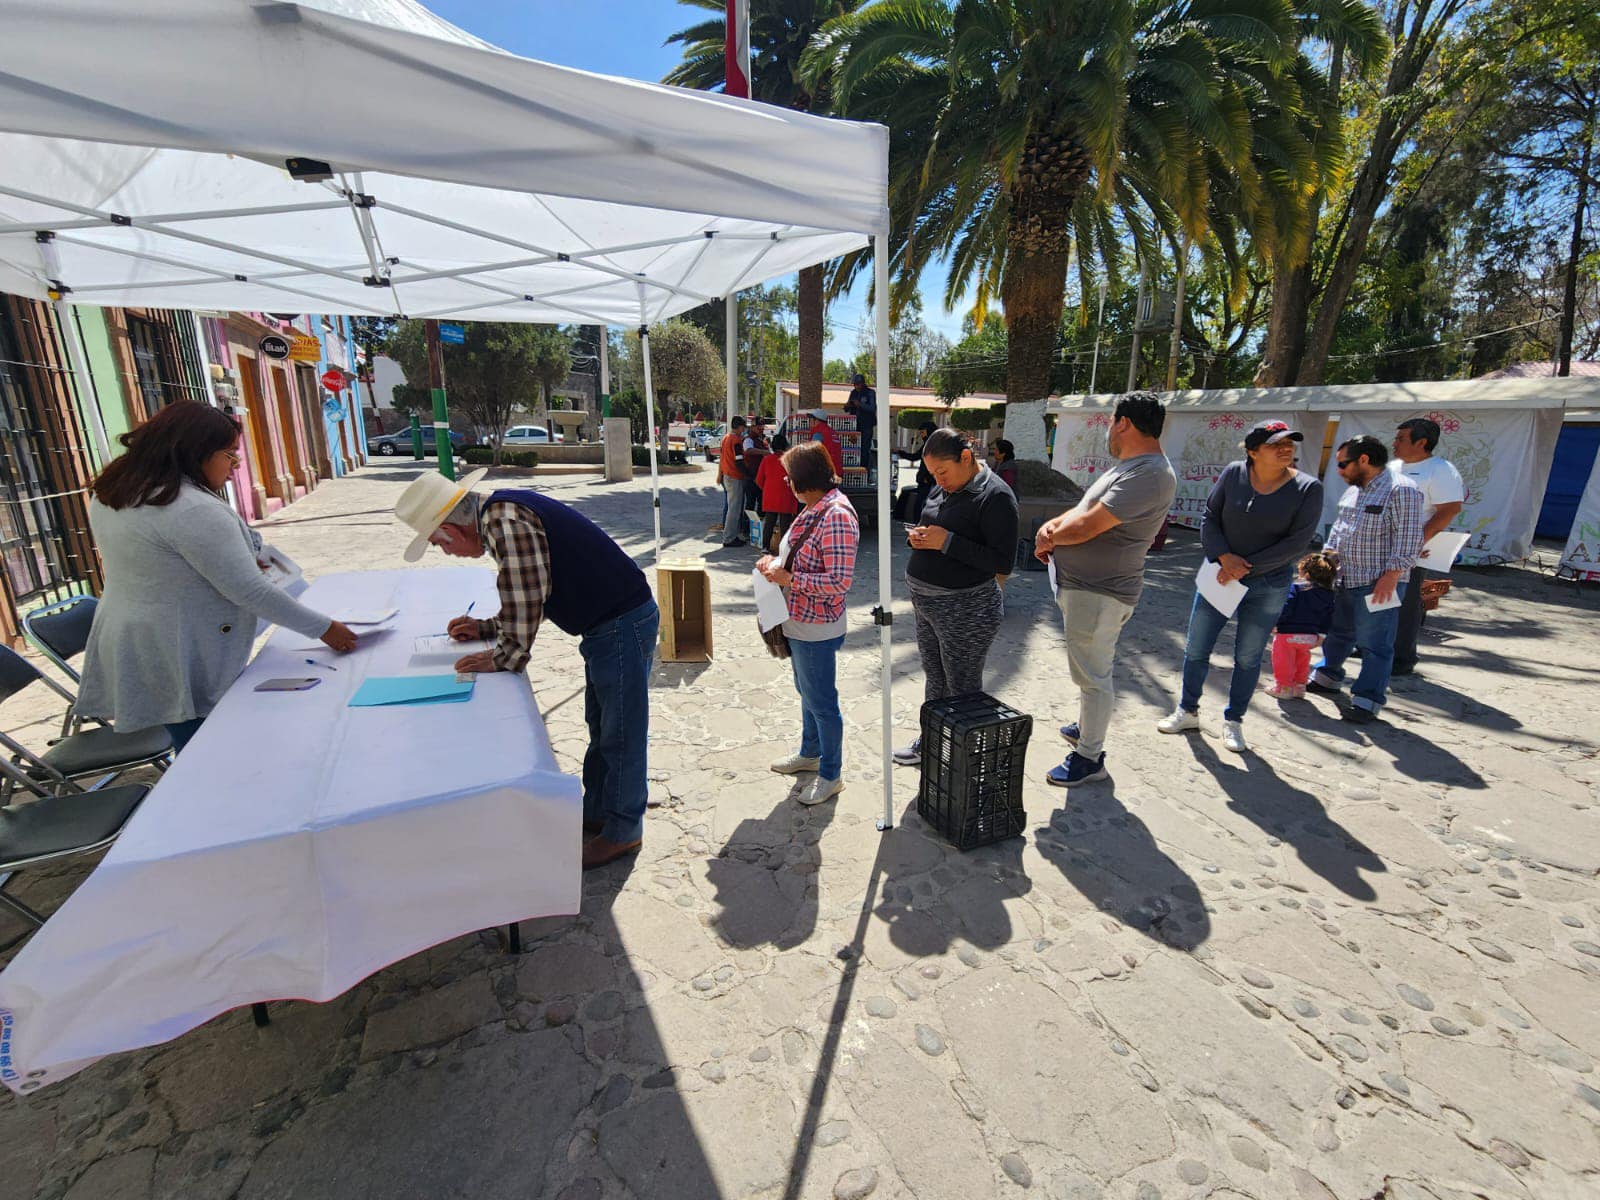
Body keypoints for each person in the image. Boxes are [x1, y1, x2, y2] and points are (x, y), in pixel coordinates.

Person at [396, 471, 660, 869]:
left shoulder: (503, 520)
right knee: (603, 724)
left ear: (451, 529)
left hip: (619, 622)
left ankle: (623, 831)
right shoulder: (501, 512)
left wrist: (506, 654)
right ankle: (601, 811)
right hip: (609, 621)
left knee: (620, 731)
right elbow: (526, 592)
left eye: (438, 544)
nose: (444, 552)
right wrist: (489, 628)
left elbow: (527, 591)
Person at [76, 401, 357, 753]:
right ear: (196, 452)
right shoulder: (191, 508)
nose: (234, 467)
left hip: (139, 637)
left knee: (189, 737)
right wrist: (326, 629)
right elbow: (250, 591)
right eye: (229, 455)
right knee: (205, 749)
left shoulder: (115, 493)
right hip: (180, 647)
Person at [1033, 392, 1175, 786]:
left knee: (1093, 675)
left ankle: (1089, 757)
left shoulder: (1148, 473)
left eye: (1112, 422)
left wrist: (1049, 538)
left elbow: (1088, 526)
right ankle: (1086, 727)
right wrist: (1050, 528)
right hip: (1088, 589)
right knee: (1088, 670)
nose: (1109, 431)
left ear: (1124, 423)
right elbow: (1082, 510)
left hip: (1100, 592)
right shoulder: (1130, 467)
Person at [1157, 419, 1324, 753]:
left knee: (1248, 657)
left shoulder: (1308, 488)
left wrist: (1241, 568)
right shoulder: (1234, 473)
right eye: (1275, 444)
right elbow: (1210, 517)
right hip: (1219, 577)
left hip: (1268, 583)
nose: (1286, 449)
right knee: (1196, 648)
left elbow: (1297, 542)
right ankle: (1187, 709)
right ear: (1252, 452)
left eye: (1290, 443)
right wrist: (1222, 556)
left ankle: (1233, 721)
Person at [894, 428, 1020, 766]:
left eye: (942, 472)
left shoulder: (996, 497)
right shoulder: (945, 486)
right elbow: (931, 522)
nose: (938, 480)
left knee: (962, 687)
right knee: (936, 680)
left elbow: (1002, 561)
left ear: (966, 458)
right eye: (933, 474)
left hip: (966, 609)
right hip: (928, 606)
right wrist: (919, 538)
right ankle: (933, 742)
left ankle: (965, 762)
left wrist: (945, 541)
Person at [759, 442, 860, 806]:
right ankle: (810, 753)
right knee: (808, 695)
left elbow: (838, 582)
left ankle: (830, 774)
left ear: (805, 480)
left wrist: (788, 579)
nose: (787, 484)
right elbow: (797, 556)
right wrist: (773, 563)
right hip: (799, 621)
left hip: (816, 626)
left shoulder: (836, 516)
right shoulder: (815, 507)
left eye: (790, 479)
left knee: (822, 702)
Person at [1309, 435, 1424, 723]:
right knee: (1339, 631)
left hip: (1379, 582)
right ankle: (1328, 675)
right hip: (1346, 577)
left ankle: (1367, 699)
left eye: (1343, 464)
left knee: (1375, 642)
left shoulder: (1402, 490)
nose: (1339, 470)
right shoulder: (1354, 491)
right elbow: (1338, 529)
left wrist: (1392, 576)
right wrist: (1327, 558)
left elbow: (1409, 540)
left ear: (1363, 460)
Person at [1389, 417, 1465, 675]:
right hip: (1381, 544)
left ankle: (1402, 658)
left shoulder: (1441, 469)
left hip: (1414, 550)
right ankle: (1370, 644)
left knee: (1405, 602)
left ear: (1421, 442)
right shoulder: (1392, 466)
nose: (1394, 443)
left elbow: (1449, 510)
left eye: (1401, 439)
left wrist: (1416, 542)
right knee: (1376, 597)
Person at [1267, 551, 1339, 698]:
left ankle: (1284, 687)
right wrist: (1322, 634)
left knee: (1283, 659)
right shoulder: (1329, 594)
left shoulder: (1296, 588)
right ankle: (1300, 686)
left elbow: (1286, 606)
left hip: (1288, 633)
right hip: (1310, 636)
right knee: (1302, 659)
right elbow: (1328, 617)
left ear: (1306, 572)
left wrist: (1276, 623)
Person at [756, 432, 798, 553]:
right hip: (787, 496)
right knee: (785, 524)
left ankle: (765, 547)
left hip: (770, 496)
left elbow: (759, 480)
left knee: (769, 522)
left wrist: (767, 489)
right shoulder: (790, 461)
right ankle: (784, 550)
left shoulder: (766, 459)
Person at [716, 416, 750, 547]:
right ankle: (729, 538)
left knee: (732, 507)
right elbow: (739, 460)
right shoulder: (736, 440)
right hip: (734, 476)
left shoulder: (725, 438)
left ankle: (733, 535)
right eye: (743, 427)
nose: (744, 430)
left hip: (727, 475)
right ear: (739, 427)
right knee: (734, 509)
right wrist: (748, 474)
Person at [844, 372, 877, 467]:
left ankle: (864, 469)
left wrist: (860, 404)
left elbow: (872, 408)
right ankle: (853, 467)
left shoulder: (870, 392)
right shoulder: (853, 393)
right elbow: (847, 409)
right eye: (855, 384)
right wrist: (847, 406)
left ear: (863, 383)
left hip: (866, 425)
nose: (856, 386)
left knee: (864, 449)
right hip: (854, 425)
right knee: (852, 447)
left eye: (858, 384)